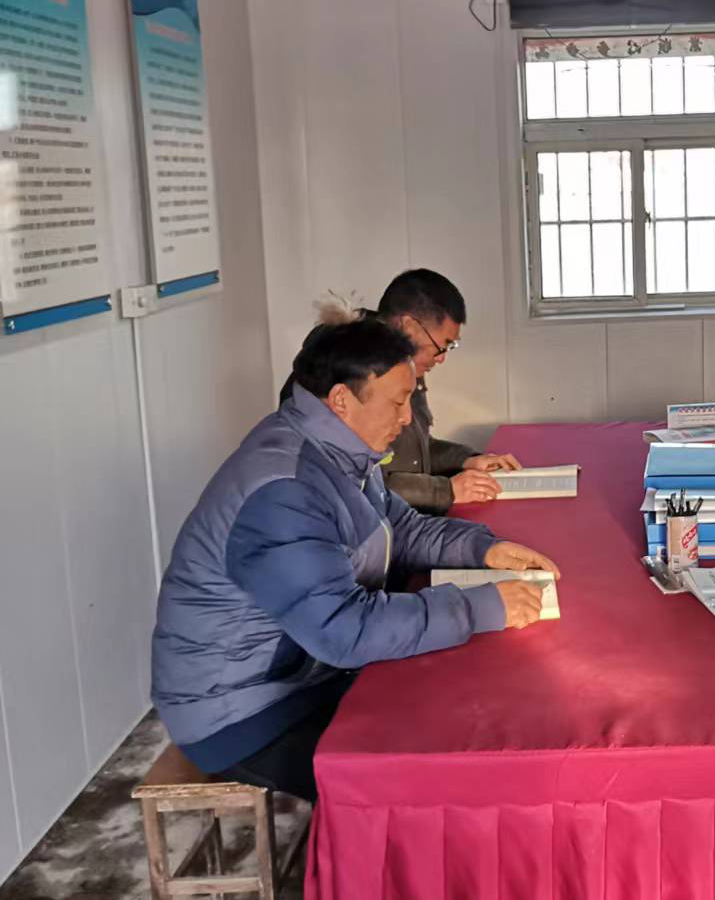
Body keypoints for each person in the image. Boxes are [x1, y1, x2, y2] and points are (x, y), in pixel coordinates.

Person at [154, 318, 558, 802]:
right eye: (397, 402)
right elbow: (343, 631)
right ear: (342, 400)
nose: (406, 419)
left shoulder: (339, 451)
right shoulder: (285, 490)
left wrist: (482, 548)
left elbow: (399, 527)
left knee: (453, 707)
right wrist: (480, 607)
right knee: (419, 785)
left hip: (305, 676)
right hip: (243, 710)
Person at [282, 269, 518, 513]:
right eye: (442, 346)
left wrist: (467, 460)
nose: (441, 359)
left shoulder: (402, 366)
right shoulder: (349, 370)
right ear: (409, 326)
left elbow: (414, 453)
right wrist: (445, 490)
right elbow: (357, 482)